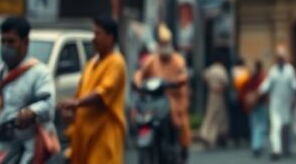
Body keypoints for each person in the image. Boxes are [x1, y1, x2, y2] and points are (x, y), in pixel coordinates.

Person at [0, 17, 57, 164]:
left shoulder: (39, 73)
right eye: (3, 42)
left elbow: (49, 105)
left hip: (25, 147)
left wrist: (32, 111)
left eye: (11, 42)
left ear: (25, 43)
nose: (6, 46)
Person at [61, 16, 127, 163]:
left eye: (98, 34)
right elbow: (80, 95)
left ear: (110, 37)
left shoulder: (116, 62)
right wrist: (69, 111)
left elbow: (102, 94)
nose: (93, 38)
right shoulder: (91, 64)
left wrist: (75, 103)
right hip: (84, 139)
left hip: (103, 137)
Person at [133, 24, 191, 158]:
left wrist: (179, 81)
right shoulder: (151, 59)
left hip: (174, 99)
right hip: (154, 99)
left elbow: (183, 74)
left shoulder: (178, 60)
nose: (164, 46)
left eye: (166, 43)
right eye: (162, 43)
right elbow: (140, 73)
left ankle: (178, 148)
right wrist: (137, 82)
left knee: (181, 124)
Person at [259, 46, 296, 161]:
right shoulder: (273, 70)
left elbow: (295, 85)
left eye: (282, 57)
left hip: (287, 103)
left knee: (286, 127)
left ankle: (286, 148)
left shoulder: (290, 70)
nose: (280, 59)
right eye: (278, 57)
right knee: (275, 127)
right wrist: (258, 92)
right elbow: (266, 85)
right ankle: (276, 150)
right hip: (275, 104)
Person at [199, 57, 230, 148]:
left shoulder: (211, 69)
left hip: (211, 94)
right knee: (217, 116)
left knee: (212, 115)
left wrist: (210, 84)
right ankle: (208, 136)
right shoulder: (221, 70)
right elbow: (225, 82)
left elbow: (203, 76)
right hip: (219, 94)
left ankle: (218, 136)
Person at [243, 60, 269, 157]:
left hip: (252, 103)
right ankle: (257, 145)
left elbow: (245, 88)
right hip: (261, 103)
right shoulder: (263, 77)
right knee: (261, 125)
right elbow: (265, 90)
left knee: (254, 125)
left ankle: (255, 144)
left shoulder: (250, 77)